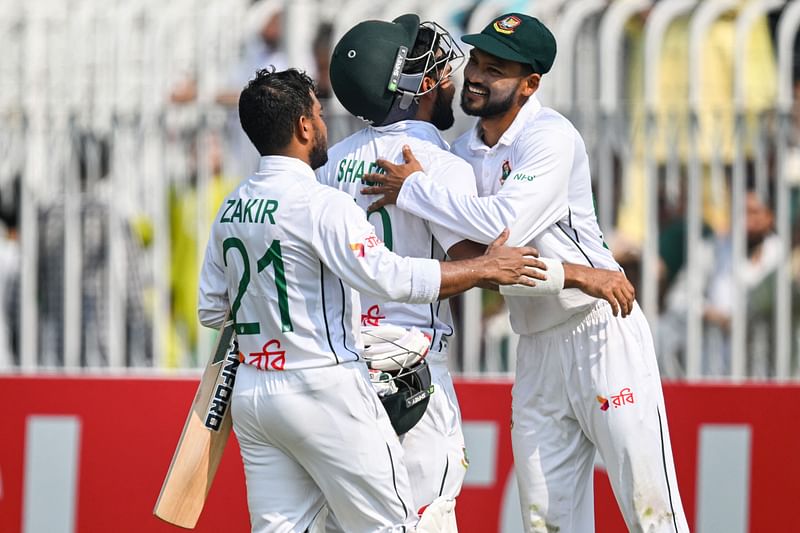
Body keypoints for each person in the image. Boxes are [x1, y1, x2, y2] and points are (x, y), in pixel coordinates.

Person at [363, 13, 689, 533]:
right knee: (545, 523)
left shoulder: (551, 138)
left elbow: (503, 229)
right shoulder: (462, 155)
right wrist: (577, 273)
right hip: (536, 346)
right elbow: (488, 264)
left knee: (653, 513)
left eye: (496, 69)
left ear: (530, 84)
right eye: (475, 60)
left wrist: (418, 189)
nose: (475, 75)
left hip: (602, 331)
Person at [197, 67, 546, 533]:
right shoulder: (319, 203)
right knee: (394, 526)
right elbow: (392, 277)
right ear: (303, 126)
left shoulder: (231, 205)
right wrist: (485, 267)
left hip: (256, 398)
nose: (323, 124)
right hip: (324, 387)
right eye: (318, 115)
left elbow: (213, 310)